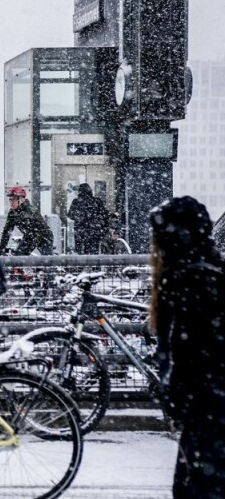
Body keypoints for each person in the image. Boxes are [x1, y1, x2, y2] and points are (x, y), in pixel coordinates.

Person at [148, 196, 225, 498]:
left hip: (207, 418)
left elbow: (185, 355)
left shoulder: (186, 282)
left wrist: (176, 397)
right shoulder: (210, 273)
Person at [0, 186, 54, 255]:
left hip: (44, 236)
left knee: (47, 261)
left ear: (21, 200)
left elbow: (35, 233)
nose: (11, 202)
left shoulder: (30, 211)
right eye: (10, 200)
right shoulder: (12, 213)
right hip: (29, 236)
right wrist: (1, 248)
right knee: (19, 257)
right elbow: (7, 231)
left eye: (14, 200)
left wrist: (24, 250)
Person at [67, 183, 109, 254]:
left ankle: (82, 263)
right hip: (94, 231)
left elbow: (70, 215)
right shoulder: (97, 201)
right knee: (93, 252)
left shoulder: (76, 202)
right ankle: (93, 264)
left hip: (80, 232)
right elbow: (104, 214)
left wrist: (79, 217)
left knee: (81, 253)